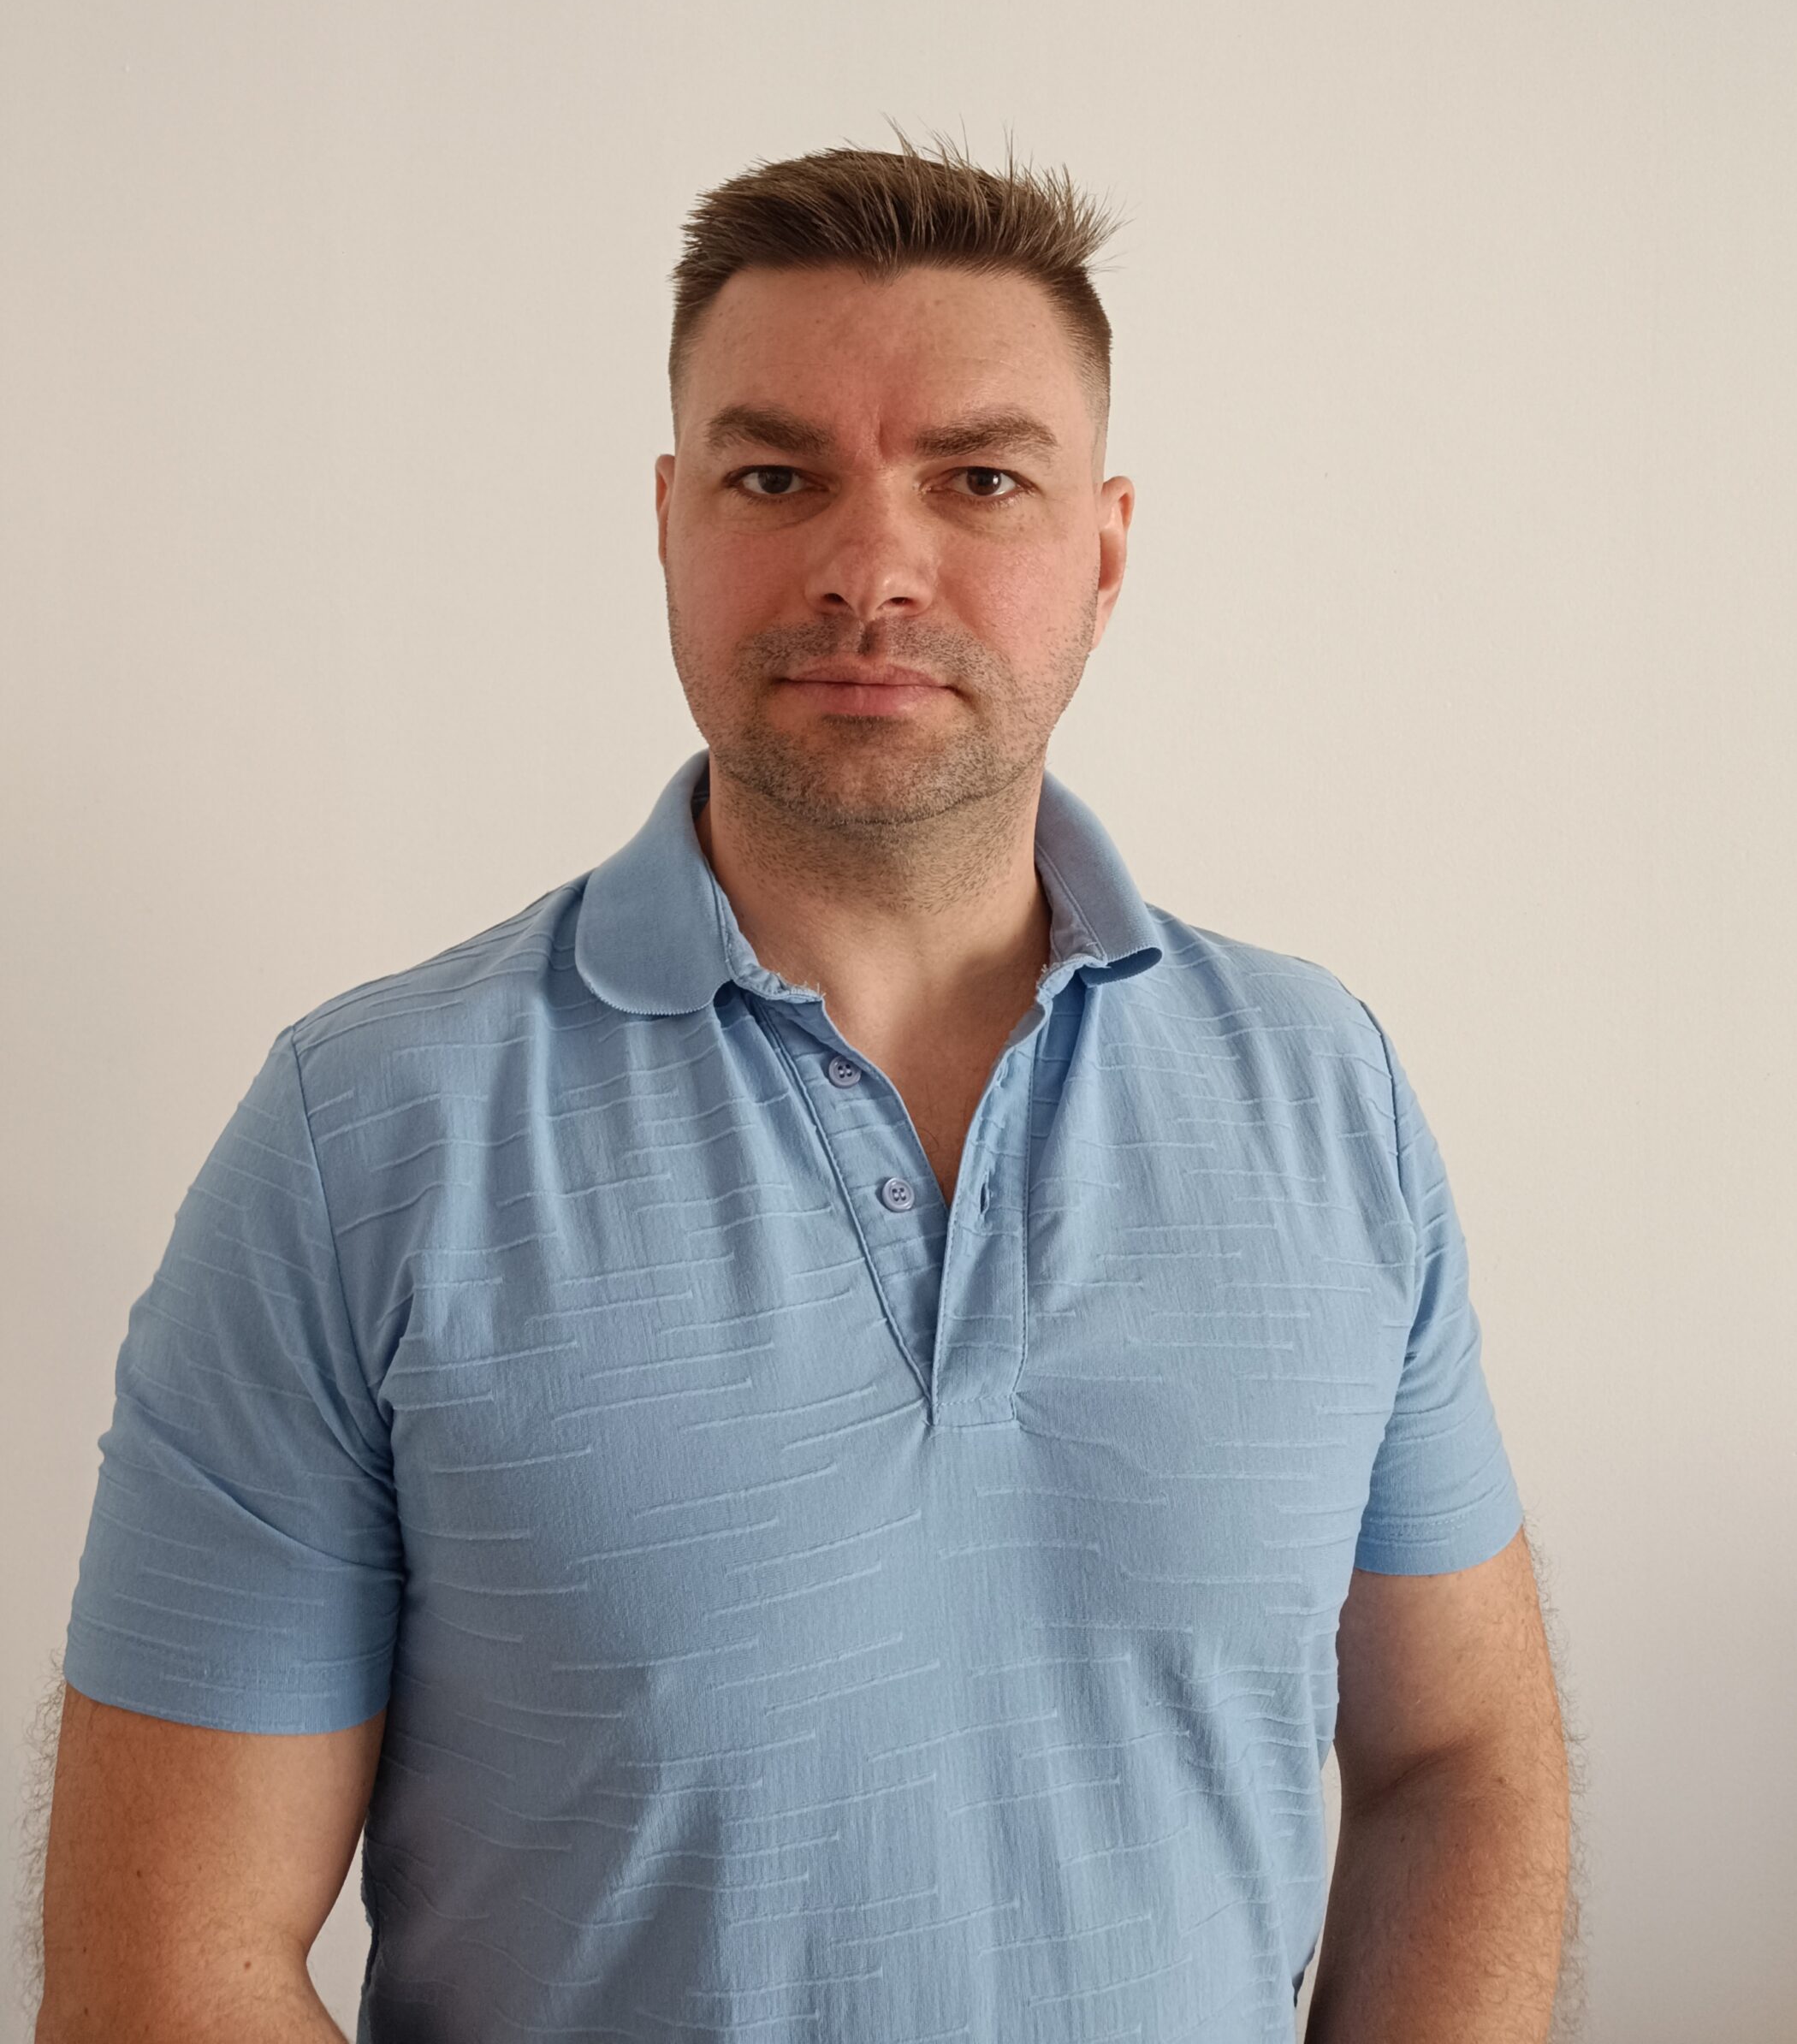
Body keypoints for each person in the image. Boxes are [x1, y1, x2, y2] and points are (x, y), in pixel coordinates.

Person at [36, 130, 1571, 2043]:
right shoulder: (365, 1144)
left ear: (1103, 548)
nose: (871, 568)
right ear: (669, 522)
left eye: (979, 479)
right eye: (778, 477)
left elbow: (1461, 1758)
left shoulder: (1327, 1094)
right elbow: (164, 1969)